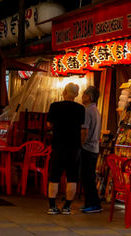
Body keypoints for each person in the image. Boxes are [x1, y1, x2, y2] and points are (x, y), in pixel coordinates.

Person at [46, 83, 85, 215]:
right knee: (72, 177)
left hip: (58, 145)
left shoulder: (54, 106)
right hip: (74, 147)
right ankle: (67, 207)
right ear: (77, 95)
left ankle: (52, 206)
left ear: (64, 92)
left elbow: (49, 124)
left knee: (54, 176)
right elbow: (82, 128)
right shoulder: (81, 109)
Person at [80, 86, 102, 213]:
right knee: (89, 177)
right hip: (94, 148)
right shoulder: (95, 110)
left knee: (87, 177)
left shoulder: (87, 110)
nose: (82, 97)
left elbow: (84, 130)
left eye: (84, 95)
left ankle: (94, 204)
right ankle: (90, 203)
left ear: (90, 97)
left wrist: (80, 145)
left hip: (87, 148)